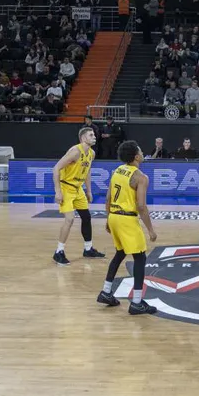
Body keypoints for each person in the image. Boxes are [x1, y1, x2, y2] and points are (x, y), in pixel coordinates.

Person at [96, 141, 158, 315]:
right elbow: (141, 206)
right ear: (136, 156)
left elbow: (108, 198)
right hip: (126, 219)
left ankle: (106, 291)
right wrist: (151, 230)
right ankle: (137, 302)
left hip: (114, 216)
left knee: (120, 252)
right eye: (140, 150)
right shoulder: (141, 177)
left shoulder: (117, 171)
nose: (142, 152)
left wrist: (108, 219)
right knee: (140, 258)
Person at [51, 127, 106, 265]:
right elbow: (56, 168)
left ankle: (88, 249)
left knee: (86, 217)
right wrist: (58, 191)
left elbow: (87, 171)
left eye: (94, 135)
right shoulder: (75, 151)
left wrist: (89, 191)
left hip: (78, 188)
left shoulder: (92, 153)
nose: (94, 137)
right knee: (69, 219)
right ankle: (58, 252)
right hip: (66, 187)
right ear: (83, 138)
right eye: (91, 135)